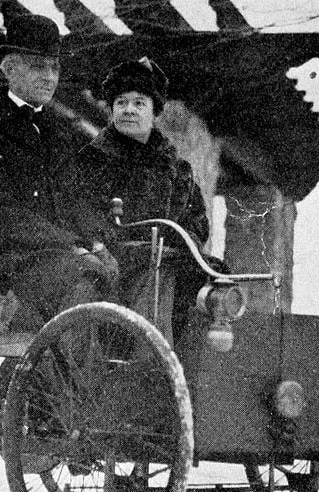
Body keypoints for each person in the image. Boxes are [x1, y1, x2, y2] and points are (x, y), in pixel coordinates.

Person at [0, 14, 117, 323]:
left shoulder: (60, 132)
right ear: (10, 69)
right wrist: (72, 247)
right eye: (38, 67)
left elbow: (74, 198)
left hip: (54, 256)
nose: (49, 78)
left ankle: (106, 366)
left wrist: (96, 242)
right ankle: (68, 370)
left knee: (129, 268)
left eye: (54, 68)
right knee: (86, 276)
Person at [59, 57, 217, 341]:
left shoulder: (177, 169)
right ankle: (154, 361)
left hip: (166, 258)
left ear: (154, 110)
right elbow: (78, 215)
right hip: (113, 263)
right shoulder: (91, 162)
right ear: (111, 109)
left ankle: (200, 366)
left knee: (215, 278)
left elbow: (197, 225)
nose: (129, 110)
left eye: (139, 103)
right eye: (121, 102)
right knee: (156, 270)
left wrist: (178, 246)